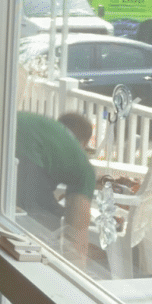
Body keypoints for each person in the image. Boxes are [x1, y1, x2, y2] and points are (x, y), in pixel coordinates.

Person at [15, 110, 95, 264]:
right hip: (26, 157)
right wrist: (77, 266)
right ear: (84, 143)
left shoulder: (48, 128)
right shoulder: (84, 167)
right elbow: (77, 232)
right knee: (45, 222)